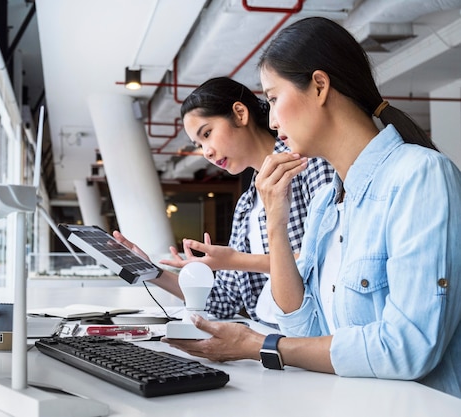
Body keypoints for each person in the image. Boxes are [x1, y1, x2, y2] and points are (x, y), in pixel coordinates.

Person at [162, 16, 461, 399]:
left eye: (272, 98)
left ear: (319, 86)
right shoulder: (326, 203)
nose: (269, 118)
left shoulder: (420, 177)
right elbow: (307, 329)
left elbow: (409, 347)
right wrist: (276, 223)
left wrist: (260, 345)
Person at [114, 76, 334, 324]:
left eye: (207, 133)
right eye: (199, 144)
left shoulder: (307, 163)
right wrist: (149, 271)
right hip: (267, 334)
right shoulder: (245, 208)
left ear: (240, 114)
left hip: (312, 335)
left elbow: (330, 257)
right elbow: (223, 301)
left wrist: (235, 260)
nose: (206, 151)